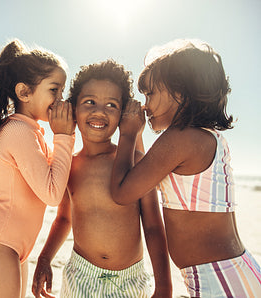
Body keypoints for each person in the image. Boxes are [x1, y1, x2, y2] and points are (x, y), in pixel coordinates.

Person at [110, 39, 261, 297]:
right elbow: (146, 171)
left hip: (217, 282)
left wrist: (127, 135)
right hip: (238, 272)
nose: (145, 104)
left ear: (180, 94)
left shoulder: (178, 140)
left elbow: (122, 191)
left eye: (150, 93)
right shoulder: (207, 138)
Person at [32, 60, 172, 298]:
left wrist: (163, 287)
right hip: (80, 276)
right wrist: (44, 258)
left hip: (130, 279)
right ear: (73, 109)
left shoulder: (135, 161)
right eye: (90, 102)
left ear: (123, 115)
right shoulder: (70, 165)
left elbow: (153, 226)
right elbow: (64, 218)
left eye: (111, 104)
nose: (100, 111)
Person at [0, 39, 76, 298]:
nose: (60, 98)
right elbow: (51, 194)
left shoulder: (32, 132)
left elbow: (57, 182)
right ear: (24, 92)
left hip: (14, 247)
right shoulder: (17, 131)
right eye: (54, 89)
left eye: (62, 91)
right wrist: (64, 137)